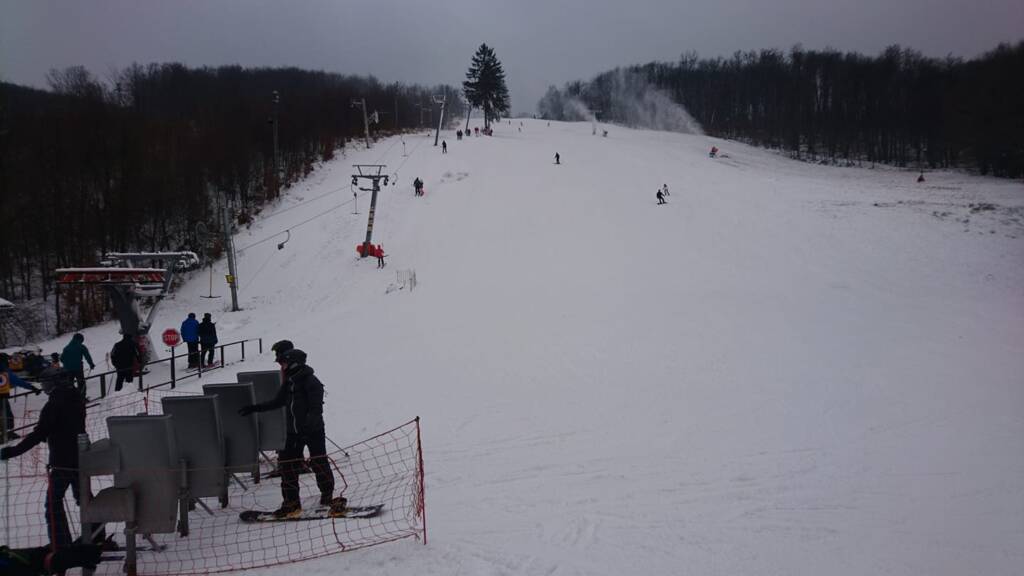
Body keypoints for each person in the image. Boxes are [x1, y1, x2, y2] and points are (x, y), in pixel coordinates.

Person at [238, 349, 337, 518]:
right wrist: (255, 408)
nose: (282, 367)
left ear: (294, 363)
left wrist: (306, 428)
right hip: (293, 433)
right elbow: (278, 402)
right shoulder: (290, 382)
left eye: (283, 363)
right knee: (287, 466)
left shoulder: (311, 382)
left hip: (313, 431)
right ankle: (291, 503)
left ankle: (327, 495)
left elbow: (315, 411)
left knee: (319, 462)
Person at [1, 367, 88, 550]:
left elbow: (40, 432)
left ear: (54, 383)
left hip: (63, 461)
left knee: (53, 503)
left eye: (45, 384)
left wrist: (13, 451)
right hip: (81, 455)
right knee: (84, 498)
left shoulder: (54, 404)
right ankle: (96, 534)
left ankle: (61, 545)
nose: (44, 387)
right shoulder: (76, 397)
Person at [1, 353, 42, 440]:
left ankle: (5, 434)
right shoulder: (4, 371)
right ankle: (8, 434)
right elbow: (17, 381)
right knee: (6, 415)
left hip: (2, 396)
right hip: (1, 398)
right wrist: (32, 387)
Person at [0, 543, 104, 576]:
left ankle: (98, 548)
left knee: (58, 559)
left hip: (39, 560)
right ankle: (97, 549)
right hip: (40, 561)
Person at [59, 333, 94, 399]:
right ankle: (82, 398)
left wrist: (68, 364)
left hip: (67, 370)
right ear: (80, 339)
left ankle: (71, 399)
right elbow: (87, 356)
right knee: (81, 384)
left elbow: (61, 359)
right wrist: (91, 364)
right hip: (78, 369)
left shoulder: (66, 348)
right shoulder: (81, 346)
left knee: (70, 385)